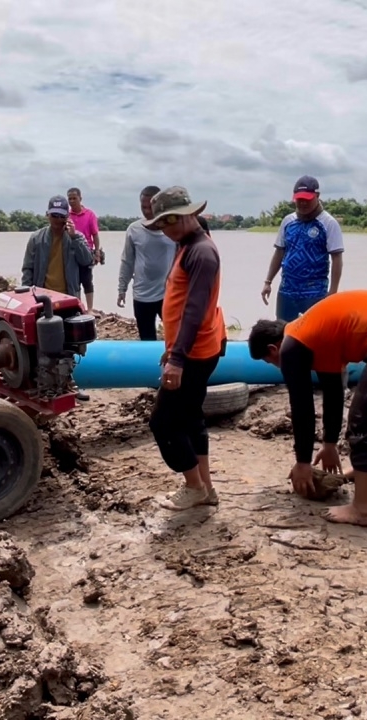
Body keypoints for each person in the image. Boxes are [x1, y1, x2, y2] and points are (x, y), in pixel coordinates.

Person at [247, 290, 367, 527]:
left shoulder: (291, 346)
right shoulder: (314, 333)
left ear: (273, 349)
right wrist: (329, 445)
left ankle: (362, 510)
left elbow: (302, 408)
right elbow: (333, 393)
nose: (277, 367)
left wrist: (303, 463)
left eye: (270, 362)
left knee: (365, 424)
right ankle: (363, 473)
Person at [144, 186, 227, 511]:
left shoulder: (201, 253)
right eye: (161, 223)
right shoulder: (188, 245)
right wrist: (172, 347)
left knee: (163, 423)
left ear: (189, 214)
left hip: (194, 353)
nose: (167, 229)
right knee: (191, 418)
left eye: (171, 220)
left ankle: (193, 487)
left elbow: (194, 309)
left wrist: (177, 358)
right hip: (192, 348)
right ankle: (206, 488)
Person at [262, 175, 345, 321]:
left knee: (312, 331)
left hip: (314, 293)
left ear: (317, 196)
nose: (302, 203)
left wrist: (333, 291)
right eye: (299, 199)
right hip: (287, 291)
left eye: (307, 199)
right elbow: (279, 252)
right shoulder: (288, 221)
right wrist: (268, 282)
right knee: (282, 330)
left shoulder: (328, 223)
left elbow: (337, 258)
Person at [118, 185, 177, 341]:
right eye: (143, 207)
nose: (147, 211)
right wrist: (122, 289)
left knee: (175, 336)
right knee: (147, 339)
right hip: (142, 294)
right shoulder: (134, 230)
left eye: (150, 207)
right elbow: (127, 261)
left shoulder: (172, 229)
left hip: (168, 293)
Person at [21, 195, 94, 297]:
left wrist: (74, 238)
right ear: (47, 215)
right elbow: (28, 269)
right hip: (42, 296)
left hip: (68, 296)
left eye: (61, 216)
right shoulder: (36, 238)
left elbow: (87, 261)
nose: (58, 219)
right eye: (54, 215)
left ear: (67, 217)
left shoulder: (77, 237)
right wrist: (26, 295)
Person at [67, 187, 102, 310]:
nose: (72, 201)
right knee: (73, 282)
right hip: (71, 253)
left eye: (74, 198)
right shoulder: (67, 215)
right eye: (70, 199)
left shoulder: (90, 214)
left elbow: (95, 235)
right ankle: (77, 308)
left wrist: (97, 252)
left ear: (80, 198)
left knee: (87, 280)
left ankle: (90, 309)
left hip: (86, 252)